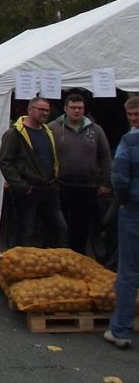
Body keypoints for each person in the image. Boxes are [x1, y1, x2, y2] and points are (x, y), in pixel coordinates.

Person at [0, 97, 68, 248]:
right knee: (25, 232)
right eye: (40, 109)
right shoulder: (15, 133)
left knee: (58, 227)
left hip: (49, 187)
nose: (44, 113)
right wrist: (21, 186)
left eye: (47, 110)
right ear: (30, 110)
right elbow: (5, 161)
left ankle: (50, 262)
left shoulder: (47, 131)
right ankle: (21, 266)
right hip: (28, 190)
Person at [49, 93, 112, 255]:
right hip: (60, 186)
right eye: (73, 108)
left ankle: (78, 260)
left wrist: (105, 182)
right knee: (59, 226)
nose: (77, 111)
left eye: (80, 108)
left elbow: (105, 156)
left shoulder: (96, 130)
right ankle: (58, 259)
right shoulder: (53, 128)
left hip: (87, 186)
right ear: (65, 108)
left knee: (81, 228)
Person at [104, 96, 139, 349]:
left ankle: (120, 329)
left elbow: (119, 178)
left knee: (128, 271)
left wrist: (124, 200)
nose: (134, 119)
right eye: (131, 114)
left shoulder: (129, 141)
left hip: (133, 209)